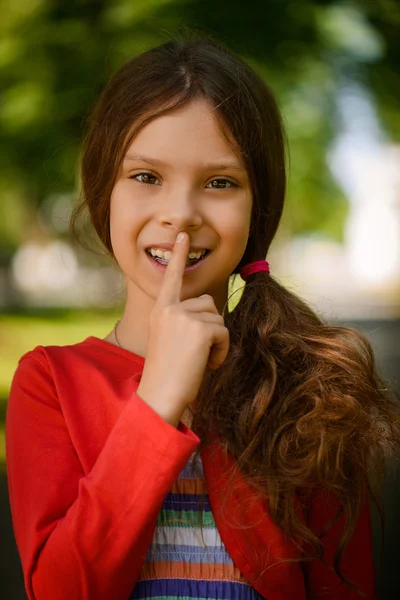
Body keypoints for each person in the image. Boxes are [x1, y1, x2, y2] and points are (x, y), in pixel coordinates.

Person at [5, 34, 400, 600]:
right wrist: (158, 401)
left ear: (258, 206)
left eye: (220, 182)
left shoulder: (311, 394)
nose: (180, 216)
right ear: (103, 192)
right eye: (146, 177)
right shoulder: (50, 384)